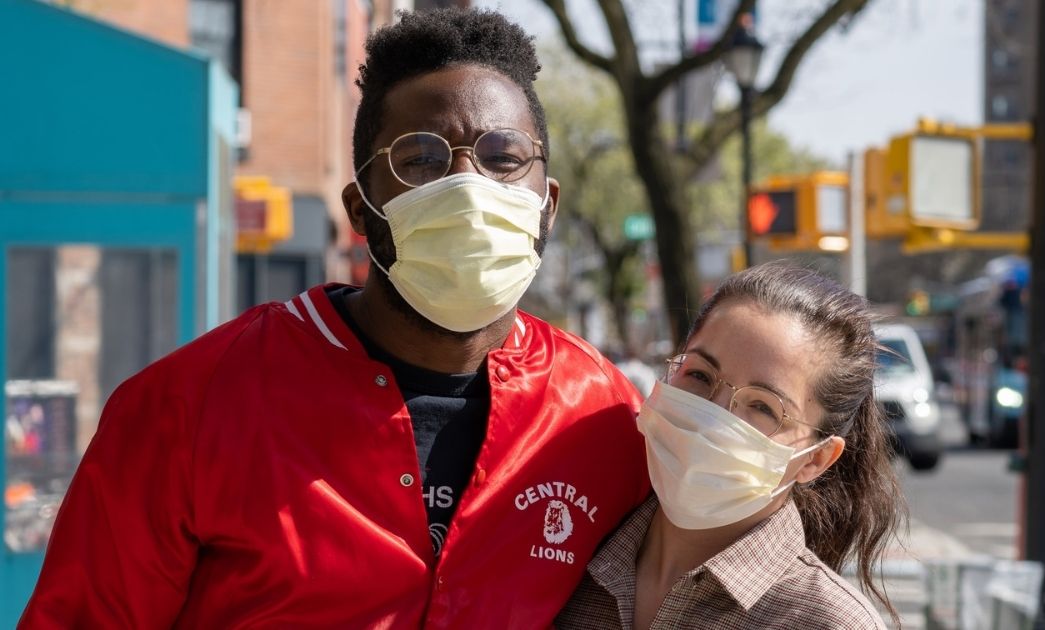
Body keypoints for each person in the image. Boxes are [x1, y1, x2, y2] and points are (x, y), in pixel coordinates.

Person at [20, 9, 649, 628]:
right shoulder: (188, 408)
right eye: (422, 159)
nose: (469, 187)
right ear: (361, 208)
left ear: (548, 205)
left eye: (504, 157)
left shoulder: (603, 417)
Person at [557, 261, 906, 629]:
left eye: (762, 407)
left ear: (816, 459)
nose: (712, 415)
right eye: (699, 375)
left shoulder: (826, 622)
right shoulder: (565, 557)